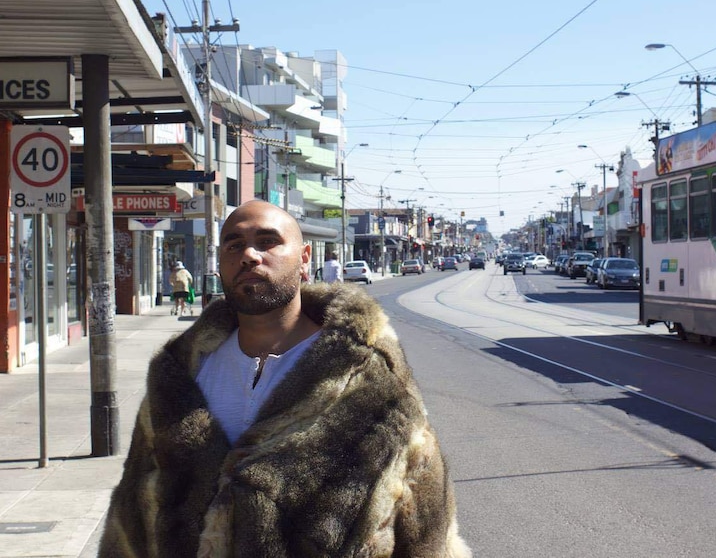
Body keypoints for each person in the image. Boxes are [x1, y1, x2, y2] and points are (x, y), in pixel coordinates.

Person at [99, 200, 471, 557]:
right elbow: (133, 511)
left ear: (304, 258)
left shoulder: (370, 376)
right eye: (235, 245)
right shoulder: (179, 375)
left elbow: (425, 522)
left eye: (267, 242)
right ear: (221, 264)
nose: (249, 255)